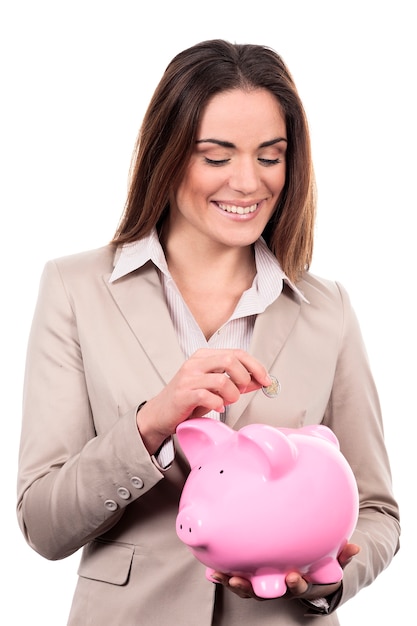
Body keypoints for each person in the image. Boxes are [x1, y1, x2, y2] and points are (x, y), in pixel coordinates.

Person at [17, 39, 400, 625]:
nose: (247, 183)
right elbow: (43, 524)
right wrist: (151, 423)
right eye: (216, 157)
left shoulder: (328, 309)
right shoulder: (75, 287)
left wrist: (322, 580)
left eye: (270, 156)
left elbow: (376, 511)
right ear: (166, 155)